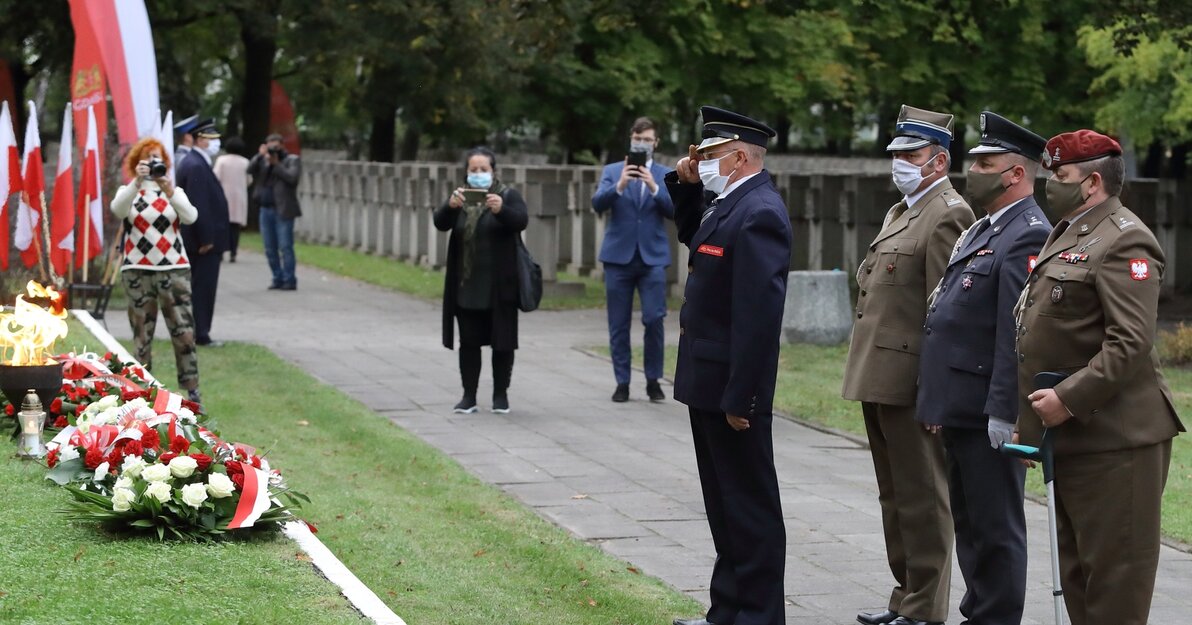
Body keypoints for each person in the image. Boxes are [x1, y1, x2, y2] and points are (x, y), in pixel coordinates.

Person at [1015, 129, 1185, 625]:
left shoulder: (1125, 237)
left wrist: (1066, 400)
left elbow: (1130, 342)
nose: (1049, 183)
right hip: (1072, 435)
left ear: (1091, 183)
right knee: (1078, 578)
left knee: (1114, 585)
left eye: (1059, 175)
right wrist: (1033, 425)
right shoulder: (1069, 230)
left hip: (1117, 439)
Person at [915, 112, 1050, 625]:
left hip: (987, 411)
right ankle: (980, 614)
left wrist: (1005, 412)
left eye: (983, 163)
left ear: (1014, 173)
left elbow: (1015, 334)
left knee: (995, 530)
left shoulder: (1027, 234)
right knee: (970, 526)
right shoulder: (984, 227)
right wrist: (939, 399)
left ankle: (995, 617)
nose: (972, 172)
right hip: (960, 405)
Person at [843, 105, 975, 625]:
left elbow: (944, 313)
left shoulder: (948, 213)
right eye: (896, 153)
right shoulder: (902, 210)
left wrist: (936, 390)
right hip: (879, 374)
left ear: (938, 161)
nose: (899, 162)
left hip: (912, 380)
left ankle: (926, 606)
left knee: (922, 497)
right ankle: (905, 596)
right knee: (894, 495)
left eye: (910, 154)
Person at [665, 106, 791, 625]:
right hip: (707, 377)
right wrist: (685, 185)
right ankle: (728, 610)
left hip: (732, 388)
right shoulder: (729, 203)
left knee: (749, 508)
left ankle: (758, 615)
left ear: (740, 156)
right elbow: (696, 238)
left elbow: (759, 319)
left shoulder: (760, 211)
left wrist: (745, 396)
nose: (700, 159)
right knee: (723, 505)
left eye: (709, 154)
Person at [434, 147, 528, 415]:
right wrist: (449, 206)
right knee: (470, 341)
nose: (478, 175)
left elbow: (521, 221)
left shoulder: (507, 196)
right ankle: (469, 396)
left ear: (493, 172)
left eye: (483, 170)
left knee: (502, 342)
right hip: (467, 284)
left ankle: (500, 395)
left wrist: (502, 211)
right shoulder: (460, 198)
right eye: (473, 170)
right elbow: (440, 222)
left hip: (500, 285)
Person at [109, 137, 202, 404]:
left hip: (174, 269)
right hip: (138, 270)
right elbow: (118, 210)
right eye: (146, 157)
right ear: (137, 162)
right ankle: (141, 391)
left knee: (183, 330)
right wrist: (136, 182)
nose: (151, 163)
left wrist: (168, 188)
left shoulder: (174, 191)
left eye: (156, 157)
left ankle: (192, 389)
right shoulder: (128, 191)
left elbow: (191, 216)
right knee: (141, 332)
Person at [591, 117, 675, 403]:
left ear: (656, 143)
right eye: (638, 140)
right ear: (631, 139)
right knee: (618, 323)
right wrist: (621, 184)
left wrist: (653, 186)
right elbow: (597, 203)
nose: (642, 144)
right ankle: (622, 382)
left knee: (654, 319)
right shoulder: (614, 171)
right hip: (618, 257)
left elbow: (674, 209)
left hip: (652, 258)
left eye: (647, 140)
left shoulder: (665, 173)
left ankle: (653, 379)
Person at [176, 118, 230, 347]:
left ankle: (197, 330)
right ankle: (201, 334)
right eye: (211, 139)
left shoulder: (197, 162)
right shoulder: (196, 164)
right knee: (203, 290)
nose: (215, 143)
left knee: (200, 288)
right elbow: (200, 205)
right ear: (199, 140)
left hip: (200, 240)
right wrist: (206, 238)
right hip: (202, 242)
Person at [247, 133, 303, 290]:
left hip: (283, 210)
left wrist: (276, 163)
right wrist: (260, 156)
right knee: (269, 248)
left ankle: (289, 279)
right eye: (270, 147)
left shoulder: (292, 160)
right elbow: (250, 169)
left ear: (282, 146)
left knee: (285, 246)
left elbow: (292, 178)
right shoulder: (263, 161)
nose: (272, 150)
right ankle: (277, 277)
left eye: (275, 147)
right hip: (265, 209)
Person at [213, 136, 250, 263]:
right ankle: (233, 252)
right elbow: (249, 180)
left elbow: (216, 177)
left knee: (223, 225)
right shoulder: (245, 162)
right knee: (235, 227)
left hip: (223, 196)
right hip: (239, 197)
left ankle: (222, 250)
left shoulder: (222, 160)